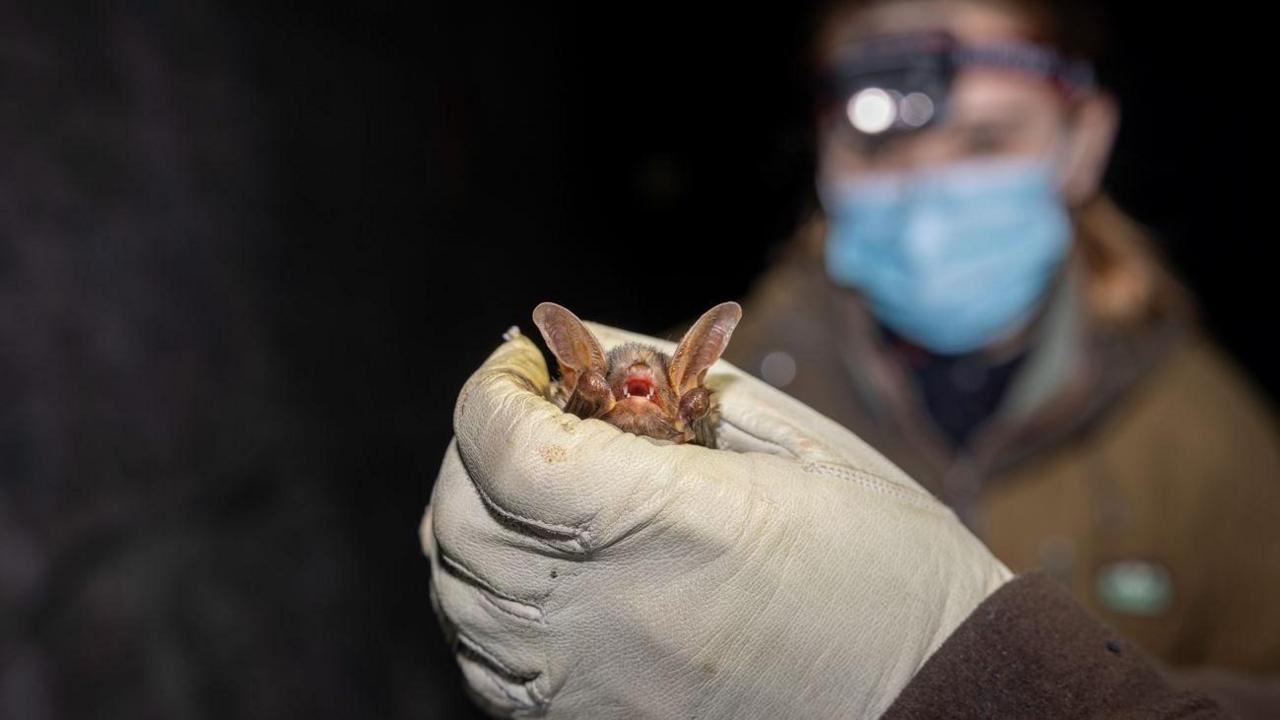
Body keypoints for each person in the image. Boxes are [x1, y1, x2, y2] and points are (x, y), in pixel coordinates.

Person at [720, 0, 1280, 713]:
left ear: (1084, 140)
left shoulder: (1213, 443)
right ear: (825, 149)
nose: (927, 202)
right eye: (880, 146)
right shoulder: (702, 403)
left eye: (985, 141)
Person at [422, 323, 1225, 718]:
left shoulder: (1215, 436)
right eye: (870, 125)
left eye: (985, 134)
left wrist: (971, 676)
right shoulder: (764, 356)